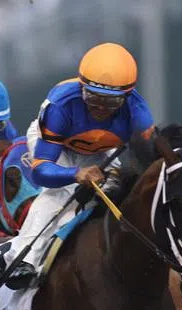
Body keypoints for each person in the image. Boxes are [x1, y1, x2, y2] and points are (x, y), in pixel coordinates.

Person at [8, 42, 154, 280]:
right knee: (59, 193)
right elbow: (41, 172)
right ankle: (23, 259)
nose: (99, 107)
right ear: (81, 87)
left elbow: (151, 164)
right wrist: (75, 174)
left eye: (110, 102)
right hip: (56, 146)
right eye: (92, 97)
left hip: (101, 151)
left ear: (127, 97)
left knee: (114, 193)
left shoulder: (139, 114)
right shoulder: (60, 105)